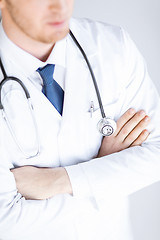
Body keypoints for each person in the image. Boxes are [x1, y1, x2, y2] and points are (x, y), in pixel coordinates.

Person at [0, 0, 160, 239]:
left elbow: (156, 154)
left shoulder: (112, 45)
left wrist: (57, 181)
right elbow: (5, 222)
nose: (60, 6)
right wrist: (105, 175)